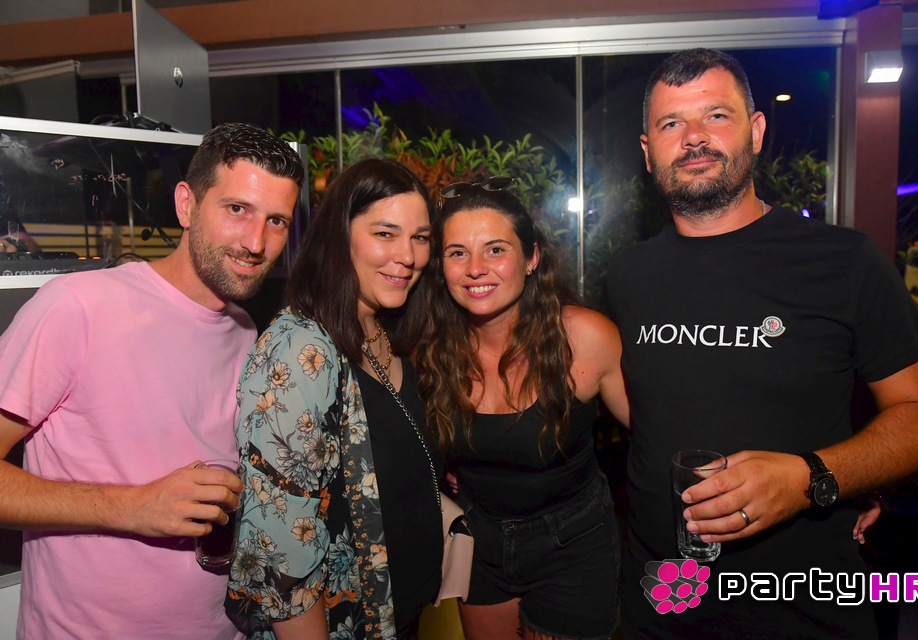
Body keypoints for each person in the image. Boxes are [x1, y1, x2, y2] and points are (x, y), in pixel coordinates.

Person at [607, 48, 918, 640]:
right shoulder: (626, 276)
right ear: (648, 151)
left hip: (803, 609)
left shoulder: (844, 261)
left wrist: (816, 476)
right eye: (671, 123)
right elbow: (642, 406)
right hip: (661, 605)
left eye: (716, 115)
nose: (693, 137)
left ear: (756, 130)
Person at [0, 122, 303, 639]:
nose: (256, 242)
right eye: (237, 209)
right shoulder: (77, 308)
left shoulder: (245, 330)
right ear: (186, 205)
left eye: (276, 221)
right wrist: (133, 506)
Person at [226, 158, 443, 640]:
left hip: (402, 615)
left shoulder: (388, 331)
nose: (407, 255)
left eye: (421, 237)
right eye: (385, 234)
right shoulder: (301, 349)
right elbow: (278, 556)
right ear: (339, 237)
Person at [415, 179, 630, 640]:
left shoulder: (584, 339)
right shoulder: (430, 349)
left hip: (573, 543)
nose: (475, 268)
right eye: (457, 253)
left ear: (531, 258)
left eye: (495, 249)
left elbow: (658, 435)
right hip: (480, 541)